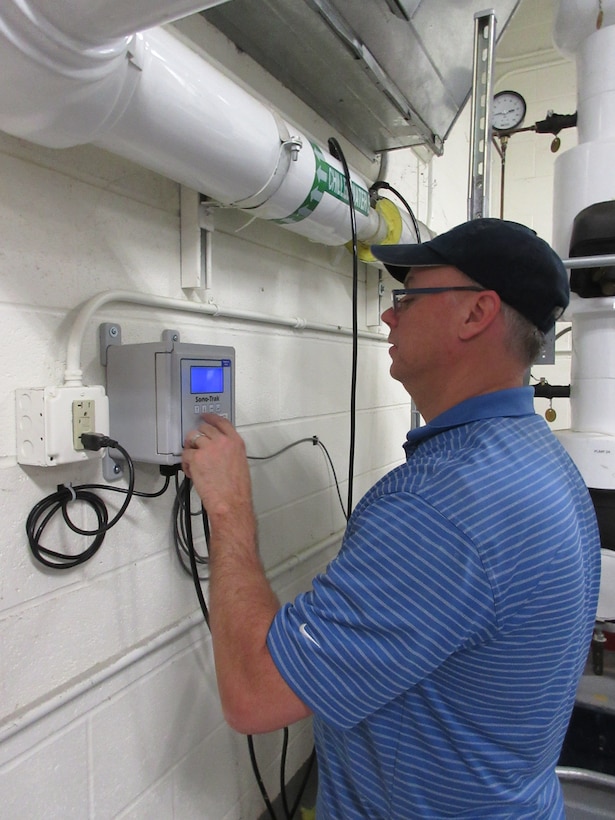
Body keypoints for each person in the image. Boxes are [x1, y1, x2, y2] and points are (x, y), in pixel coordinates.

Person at [182, 218, 601, 818]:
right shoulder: (537, 458)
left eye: (409, 297)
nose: (388, 316)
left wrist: (229, 508)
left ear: (475, 314)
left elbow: (253, 694)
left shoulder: (446, 503)